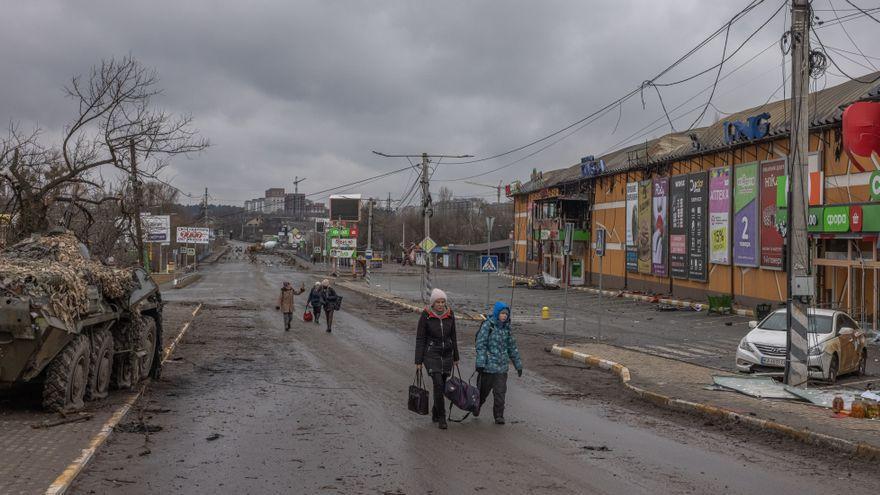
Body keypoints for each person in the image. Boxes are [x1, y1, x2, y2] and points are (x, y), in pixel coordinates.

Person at [414, 288, 459, 430]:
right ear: (432, 303)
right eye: (438, 302)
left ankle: (435, 410)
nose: (440, 304)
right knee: (438, 383)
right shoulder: (426, 316)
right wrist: (418, 361)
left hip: (446, 355)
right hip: (431, 354)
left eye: (443, 302)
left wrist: (456, 357)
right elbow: (420, 339)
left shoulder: (450, 315)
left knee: (442, 384)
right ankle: (442, 417)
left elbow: (454, 337)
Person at [475, 301, 523, 425]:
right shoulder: (488, 325)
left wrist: (518, 365)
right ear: (497, 313)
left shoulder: (507, 329)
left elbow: (512, 347)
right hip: (488, 367)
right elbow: (481, 344)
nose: (504, 316)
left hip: (502, 368)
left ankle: (498, 416)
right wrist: (480, 363)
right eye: (502, 313)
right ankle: (476, 406)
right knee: (482, 392)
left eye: (506, 314)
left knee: (500, 393)